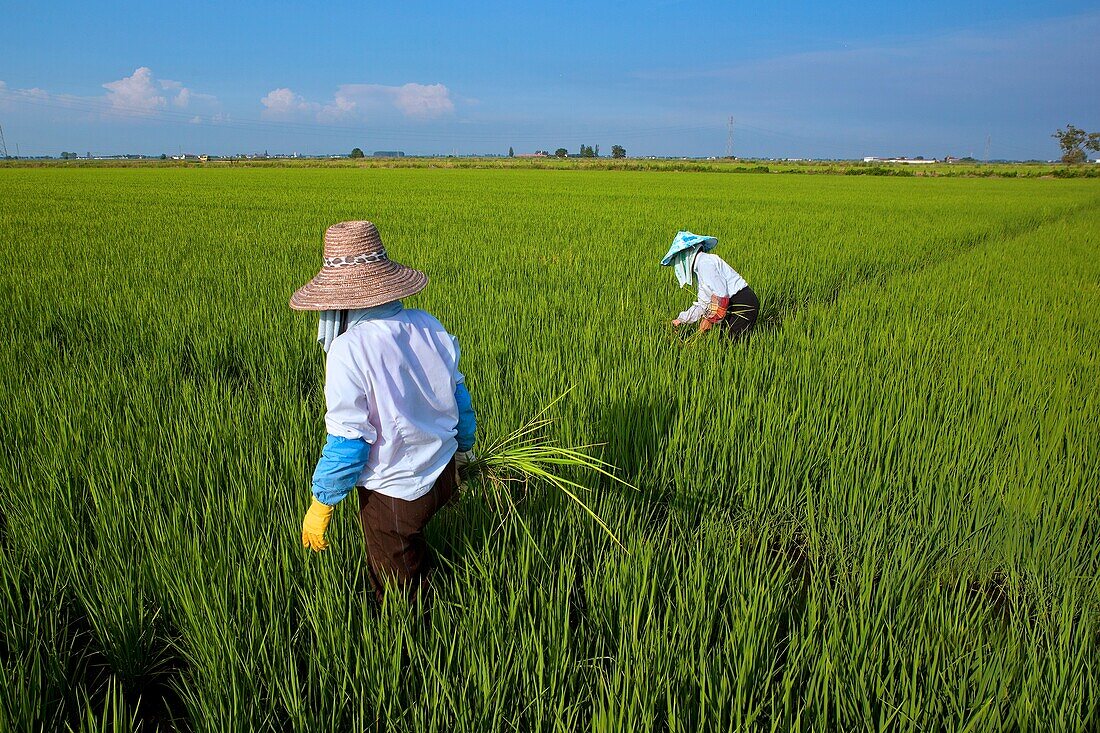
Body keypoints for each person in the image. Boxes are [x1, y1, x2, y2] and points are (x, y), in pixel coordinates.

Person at [291, 220, 476, 606]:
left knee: (394, 585)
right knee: (413, 548)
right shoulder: (428, 324)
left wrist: (322, 502)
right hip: (442, 477)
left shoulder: (349, 351)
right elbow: (460, 400)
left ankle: (409, 641)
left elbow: (349, 442)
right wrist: (464, 451)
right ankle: (431, 578)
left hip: (396, 495)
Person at [660, 230, 759, 338]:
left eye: (677, 258)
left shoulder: (705, 263)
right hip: (731, 304)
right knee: (723, 341)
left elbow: (721, 294)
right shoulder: (700, 269)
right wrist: (681, 320)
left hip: (742, 303)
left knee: (732, 343)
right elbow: (703, 303)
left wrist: (709, 320)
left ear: (686, 253)